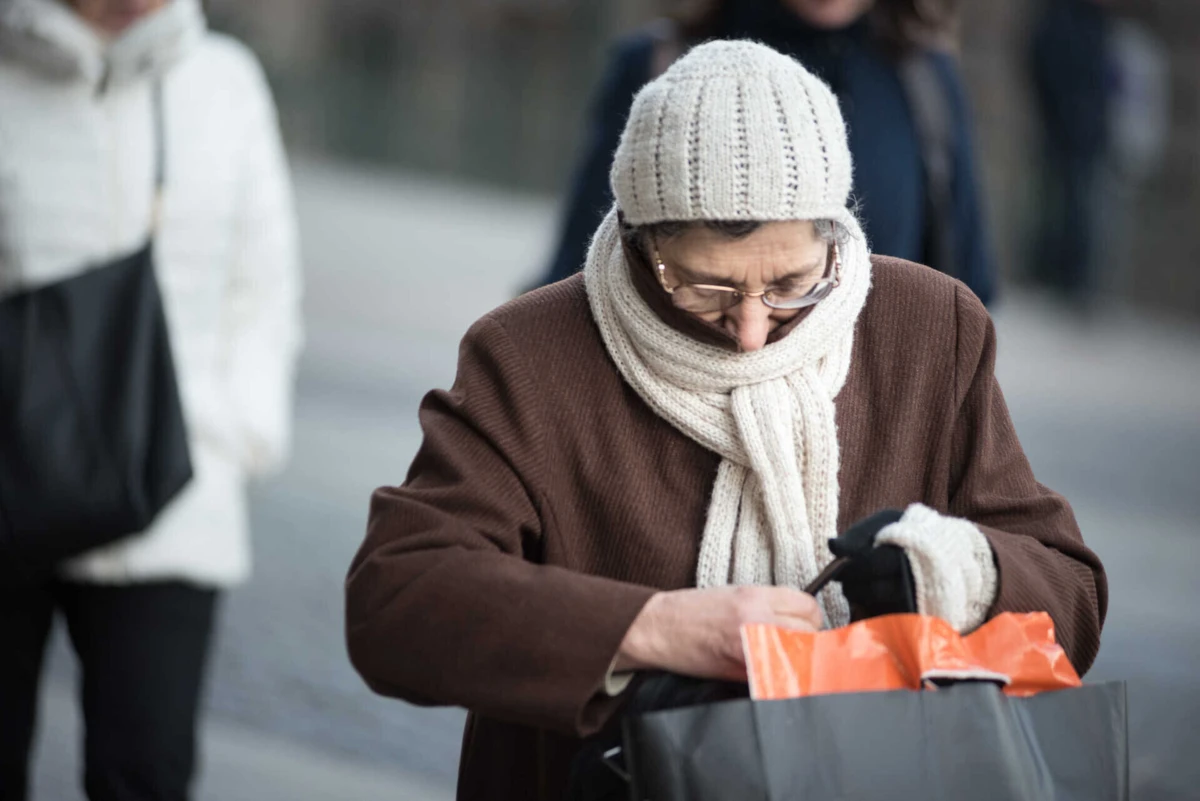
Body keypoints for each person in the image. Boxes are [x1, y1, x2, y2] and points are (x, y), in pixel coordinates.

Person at [346, 40, 1104, 801]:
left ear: (834, 232)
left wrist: (959, 573)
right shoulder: (529, 355)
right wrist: (651, 627)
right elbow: (396, 595)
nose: (749, 328)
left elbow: (1072, 591)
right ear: (644, 244)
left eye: (791, 283)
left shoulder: (933, 327)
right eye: (703, 286)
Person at [0, 1, 302, 799]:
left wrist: (238, 430)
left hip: (175, 487)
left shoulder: (223, 82)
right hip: (8, 478)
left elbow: (264, 283)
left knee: (146, 769)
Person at [533, 0, 996, 304]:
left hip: (875, 419)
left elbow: (966, 285)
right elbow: (579, 270)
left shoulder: (925, 80)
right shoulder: (660, 66)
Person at [1027, 0, 1116, 306]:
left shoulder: (1097, 22)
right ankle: (1056, 275)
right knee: (1064, 203)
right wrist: (1064, 112)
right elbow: (1044, 63)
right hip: (1066, 128)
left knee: (1082, 205)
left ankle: (1074, 279)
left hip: (1089, 131)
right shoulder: (1062, 19)